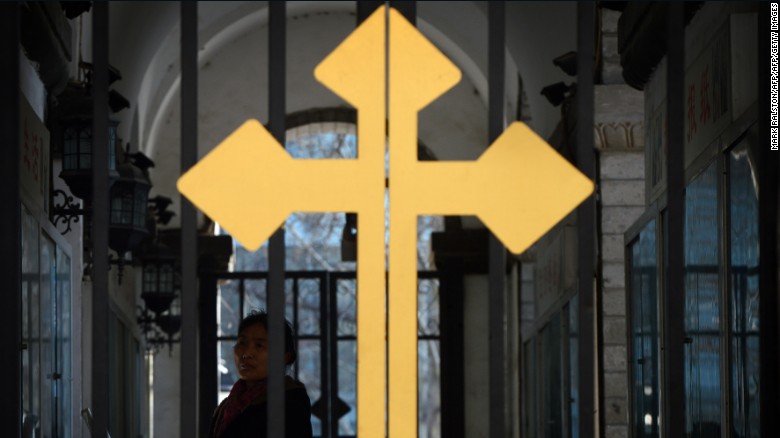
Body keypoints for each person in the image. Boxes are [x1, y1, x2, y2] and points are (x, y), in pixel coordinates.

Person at [209, 311, 313, 438]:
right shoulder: (226, 407)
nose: (247, 353)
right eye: (242, 343)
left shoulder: (290, 401)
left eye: (259, 345)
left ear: (284, 356)